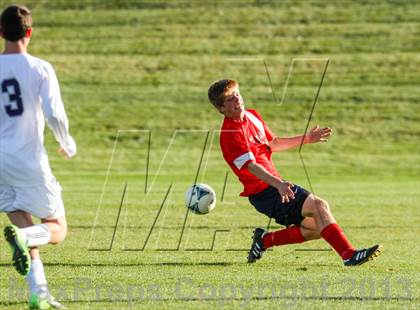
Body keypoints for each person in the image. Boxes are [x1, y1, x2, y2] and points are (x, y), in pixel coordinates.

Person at [208, 79, 381, 266]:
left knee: (314, 228)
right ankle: (349, 255)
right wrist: (278, 184)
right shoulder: (230, 133)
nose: (237, 100)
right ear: (221, 108)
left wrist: (306, 139)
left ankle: (264, 241)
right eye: (230, 99)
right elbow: (251, 166)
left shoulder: (252, 116)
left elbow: (273, 143)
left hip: (273, 186)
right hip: (264, 192)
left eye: (237, 94)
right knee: (319, 206)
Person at [0, 5, 76, 309]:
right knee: (56, 228)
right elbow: (54, 113)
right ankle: (24, 239)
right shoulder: (40, 68)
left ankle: (39, 293)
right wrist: (67, 143)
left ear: (1, 32)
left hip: (0, 162)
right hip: (27, 158)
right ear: (29, 32)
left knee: (21, 219)